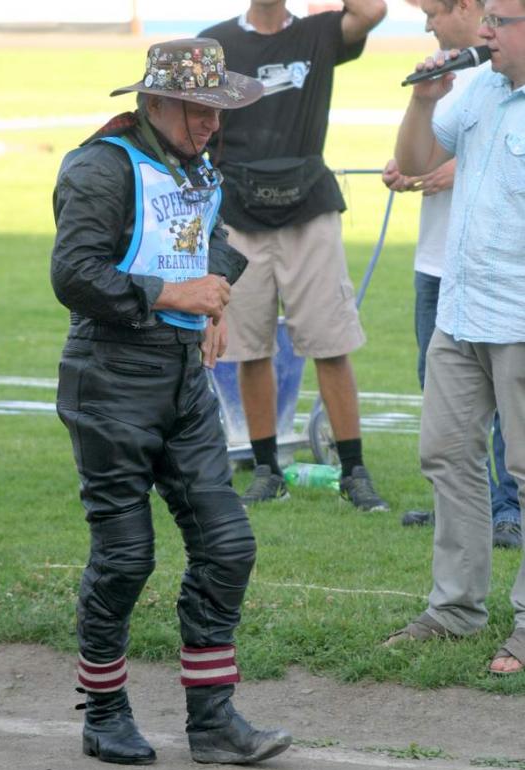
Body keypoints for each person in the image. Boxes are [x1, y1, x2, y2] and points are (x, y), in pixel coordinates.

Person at [51, 37, 293, 765]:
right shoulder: (100, 166)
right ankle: (103, 713)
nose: (212, 124)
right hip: (109, 381)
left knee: (228, 545)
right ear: (154, 101)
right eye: (198, 110)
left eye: (218, 111)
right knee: (125, 559)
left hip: (184, 380)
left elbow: (209, 236)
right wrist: (171, 295)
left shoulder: (194, 160)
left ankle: (212, 722)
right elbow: (74, 274)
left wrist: (210, 301)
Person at [199, 0, 389, 511]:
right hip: (237, 212)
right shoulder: (215, 44)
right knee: (249, 348)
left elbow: (373, 10)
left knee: (330, 343)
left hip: (309, 209)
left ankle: (354, 471)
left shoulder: (319, 33)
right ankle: (266, 469)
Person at [384, 0, 525, 674]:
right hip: (461, 313)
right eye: (487, 17)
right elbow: (414, 160)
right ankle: (455, 610)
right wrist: (425, 100)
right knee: (445, 455)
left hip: (520, 321)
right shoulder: (477, 92)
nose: (486, 31)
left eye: (503, 20)